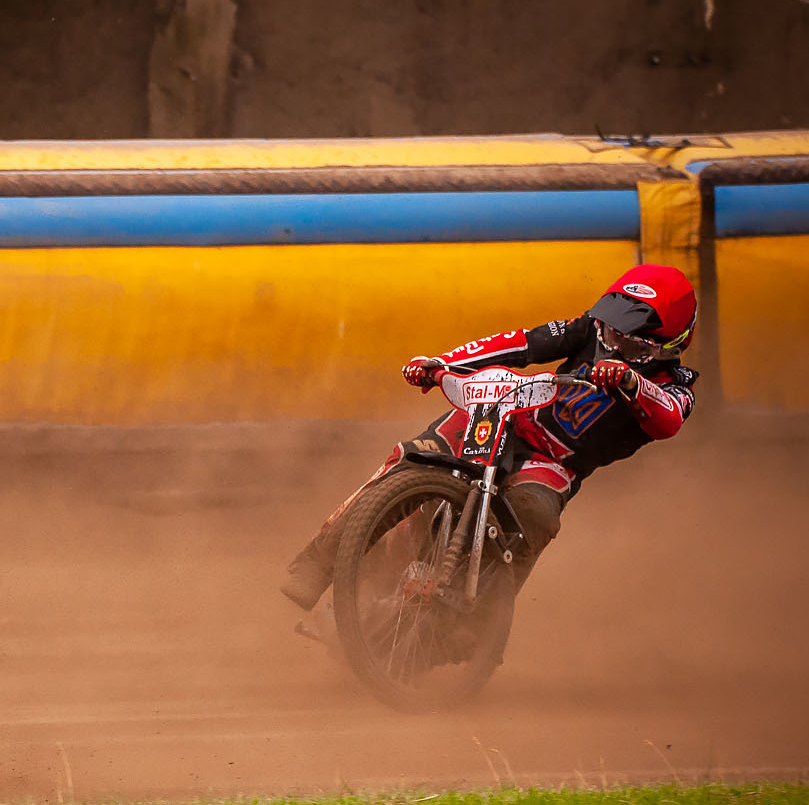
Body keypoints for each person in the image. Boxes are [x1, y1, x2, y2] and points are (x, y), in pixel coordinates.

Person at [280, 263, 700, 614]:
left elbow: (668, 418)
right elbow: (522, 344)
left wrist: (632, 383)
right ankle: (317, 562)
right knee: (410, 458)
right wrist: (442, 363)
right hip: (501, 413)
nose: (612, 341)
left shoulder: (677, 386)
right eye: (610, 331)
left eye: (628, 341)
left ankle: (475, 625)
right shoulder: (589, 327)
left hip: (553, 463)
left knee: (535, 515)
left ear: (669, 345)